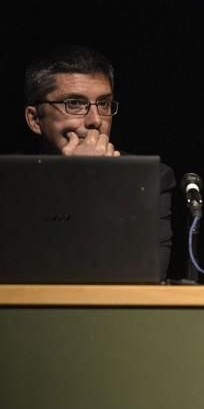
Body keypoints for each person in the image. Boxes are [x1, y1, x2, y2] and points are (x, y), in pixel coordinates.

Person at [22, 44, 176, 277]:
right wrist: (73, 181)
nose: (95, 120)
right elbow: (26, 269)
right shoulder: (12, 183)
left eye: (103, 104)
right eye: (74, 103)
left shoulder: (151, 178)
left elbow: (144, 275)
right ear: (35, 120)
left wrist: (99, 186)